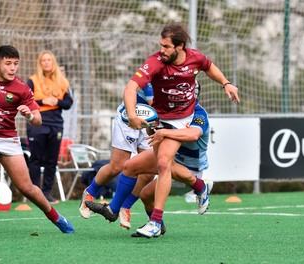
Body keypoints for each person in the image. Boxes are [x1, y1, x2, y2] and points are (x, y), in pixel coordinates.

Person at [122, 23, 239, 237]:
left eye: (166, 46)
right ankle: (198, 188)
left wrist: (226, 83)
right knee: (132, 168)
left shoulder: (195, 59)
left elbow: (209, 66)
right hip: (161, 120)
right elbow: (131, 87)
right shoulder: (155, 62)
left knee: (164, 162)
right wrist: (132, 114)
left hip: (182, 121)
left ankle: (155, 223)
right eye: (161, 45)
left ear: (180, 46)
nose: (162, 50)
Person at [0, 45, 74, 238]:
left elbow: (37, 118)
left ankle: (57, 217)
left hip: (7, 140)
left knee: (27, 187)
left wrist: (30, 116)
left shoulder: (21, 88)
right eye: (8, 63)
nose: (12, 68)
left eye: (16, 64)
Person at [86, 103, 211, 238]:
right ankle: (114, 210)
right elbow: (154, 136)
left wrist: (164, 132)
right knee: (130, 168)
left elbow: (193, 134)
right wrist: (149, 125)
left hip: (190, 168)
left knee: (158, 174)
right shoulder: (169, 108)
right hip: (171, 157)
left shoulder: (198, 113)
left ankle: (200, 186)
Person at [79, 83, 154, 229]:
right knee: (117, 166)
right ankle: (90, 193)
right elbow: (139, 92)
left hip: (151, 121)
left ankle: (125, 206)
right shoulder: (155, 68)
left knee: (148, 172)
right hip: (129, 117)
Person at [26, 50, 73, 204]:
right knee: (36, 158)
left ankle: (46, 193)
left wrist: (57, 102)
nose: (46, 63)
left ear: (53, 63)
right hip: (38, 122)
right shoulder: (32, 81)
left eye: (49, 60)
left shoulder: (62, 82)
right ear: (39, 64)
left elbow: (68, 103)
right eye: (43, 60)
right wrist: (43, 101)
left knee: (52, 160)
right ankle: (35, 192)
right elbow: (26, 100)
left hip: (56, 123)